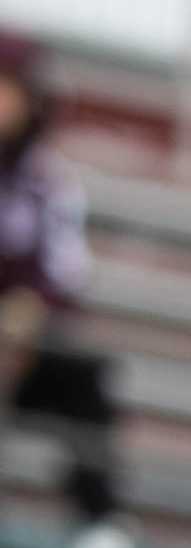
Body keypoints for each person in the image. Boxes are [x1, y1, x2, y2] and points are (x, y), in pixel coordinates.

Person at [0, 31, 116, 520]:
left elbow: (65, 273)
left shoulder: (48, 182)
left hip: (18, 344)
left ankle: (102, 524)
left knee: (81, 378)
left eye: (8, 89)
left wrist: (27, 314)